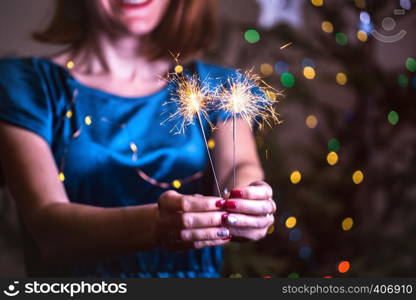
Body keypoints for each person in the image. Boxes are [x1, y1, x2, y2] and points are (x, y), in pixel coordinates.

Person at [0, 0, 276, 278]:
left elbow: (237, 167)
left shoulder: (220, 87)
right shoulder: (26, 87)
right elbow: (50, 232)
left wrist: (249, 199)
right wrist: (157, 224)